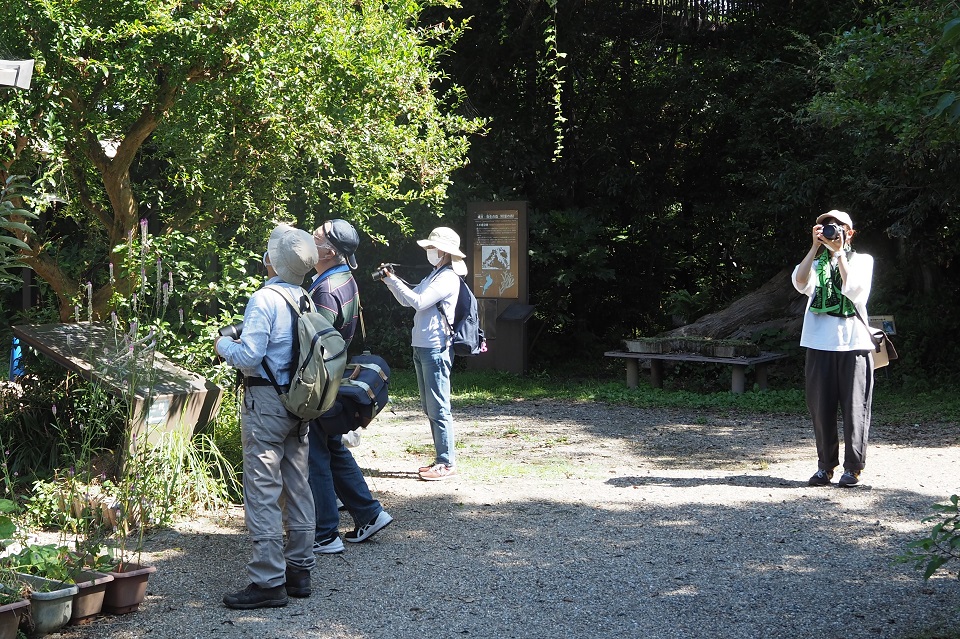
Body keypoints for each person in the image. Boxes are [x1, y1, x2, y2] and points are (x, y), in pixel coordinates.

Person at [215, 224, 319, 609]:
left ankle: (268, 581)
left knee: (262, 491)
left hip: (266, 405)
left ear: (272, 261)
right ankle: (299, 572)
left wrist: (223, 343)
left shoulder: (263, 299)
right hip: (300, 404)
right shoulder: (305, 298)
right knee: (298, 485)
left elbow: (250, 356)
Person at [307, 219, 393, 553]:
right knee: (332, 448)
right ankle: (369, 513)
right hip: (334, 378)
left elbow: (318, 341)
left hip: (320, 383)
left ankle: (325, 534)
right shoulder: (344, 277)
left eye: (315, 238)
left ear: (329, 251)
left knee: (316, 455)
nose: (309, 241)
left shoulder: (327, 288)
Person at [791, 210, 875, 488]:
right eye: (826, 227)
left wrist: (839, 254)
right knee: (821, 409)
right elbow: (800, 282)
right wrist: (815, 247)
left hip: (855, 344)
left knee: (855, 410)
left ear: (849, 233)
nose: (831, 232)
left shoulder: (862, 261)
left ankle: (853, 469)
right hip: (819, 342)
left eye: (838, 228)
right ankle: (824, 467)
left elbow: (855, 290)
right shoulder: (817, 264)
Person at [380, 226, 466, 481]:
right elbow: (408, 300)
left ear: (443, 251)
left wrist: (393, 280)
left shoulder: (448, 277)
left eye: (432, 248)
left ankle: (446, 462)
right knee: (430, 407)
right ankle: (441, 459)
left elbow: (419, 302)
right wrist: (389, 280)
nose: (429, 251)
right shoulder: (434, 274)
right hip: (422, 346)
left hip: (436, 348)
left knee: (439, 407)